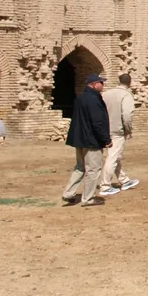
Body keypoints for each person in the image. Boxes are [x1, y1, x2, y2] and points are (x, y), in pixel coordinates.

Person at [61, 73, 112, 207]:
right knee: (93, 169)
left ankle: (68, 193)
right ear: (94, 84)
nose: (103, 85)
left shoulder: (81, 97)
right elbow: (98, 122)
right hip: (91, 140)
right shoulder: (94, 99)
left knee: (80, 167)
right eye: (101, 83)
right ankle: (88, 198)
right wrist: (106, 139)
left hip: (80, 139)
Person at [99, 73, 138, 197]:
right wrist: (128, 130)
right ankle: (105, 186)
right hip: (117, 131)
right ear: (130, 82)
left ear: (118, 81)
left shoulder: (106, 94)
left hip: (104, 129)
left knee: (116, 156)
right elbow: (126, 115)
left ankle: (124, 180)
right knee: (113, 158)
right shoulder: (126, 95)